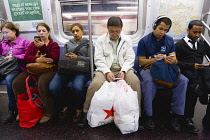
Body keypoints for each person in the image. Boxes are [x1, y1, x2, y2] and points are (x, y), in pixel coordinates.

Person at [77, 16, 141, 128]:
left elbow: (130, 58)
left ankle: (137, 115)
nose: (114, 34)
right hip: (105, 69)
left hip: (123, 68)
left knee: (135, 82)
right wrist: (107, 72)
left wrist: (124, 70)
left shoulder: (127, 40)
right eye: (111, 31)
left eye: (117, 31)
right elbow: (98, 59)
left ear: (121, 29)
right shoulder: (101, 40)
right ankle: (85, 112)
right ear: (107, 29)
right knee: (95, 85)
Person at [137, 16, 188, 132]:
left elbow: (174, 58)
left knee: (183, 81)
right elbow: (141, 61)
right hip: (148, 68)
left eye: (165, 30)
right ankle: (148, 115)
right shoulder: (144, 41)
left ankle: (176, 115)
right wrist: (155, 59)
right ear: (155, 26)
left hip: (165, 68)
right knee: (149, 82)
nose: (162, 32)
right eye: (160, 28)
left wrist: (172, 60)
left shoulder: (169, 40)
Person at [12, 23, 60, 123]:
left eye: (43, 31)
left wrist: (43, 47)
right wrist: (37, 59)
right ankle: (24, 109)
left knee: (42, 84)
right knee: (17, 83)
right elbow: (26, 58)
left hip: (49, 70)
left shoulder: (53, 45)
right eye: (39, 31)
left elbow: (53, 59)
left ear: (48, 32)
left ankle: (48, 111)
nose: (41, 33)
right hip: (34, 69)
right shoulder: (33, 44)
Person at [49, 23, 90, 122]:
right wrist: (67, 57)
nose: (75, 33)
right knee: (53, 87)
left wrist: (77, 57)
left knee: (77, 87)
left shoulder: (88, 44)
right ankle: (64, 104)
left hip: (81, 70)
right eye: (73, 32)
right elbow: (63, 58)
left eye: (77, 31)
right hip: (68, 69)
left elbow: (91, 60)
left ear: (82, 31)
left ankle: (79, 109)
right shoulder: (68, 43)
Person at [175, 20, 210, 132]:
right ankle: (187, 117)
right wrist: (191, 66)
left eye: (200, 33)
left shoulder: (202, 44)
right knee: (194, 85)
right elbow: (176, 62)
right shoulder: (179, 45)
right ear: (188, 30)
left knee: (201, 80)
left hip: (200, 71)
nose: (197, 35)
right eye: (195, 32)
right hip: (185, 70)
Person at [0, 22, 30, 123]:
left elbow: (28, 56)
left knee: (9, 80)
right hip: (4, 67)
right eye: (3, 33)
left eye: (7, 32)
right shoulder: (2, 43)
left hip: (17, 68)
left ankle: (12, 108)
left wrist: (15, 57)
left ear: (14, 31)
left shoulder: (24, 42)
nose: (5, 35)